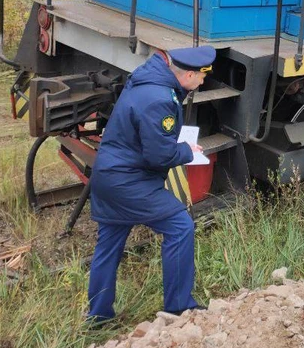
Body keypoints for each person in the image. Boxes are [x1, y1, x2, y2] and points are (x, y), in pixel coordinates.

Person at [86, 45, 216, 322]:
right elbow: (160, 156)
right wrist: (188, 151)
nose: (203, 82)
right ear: (188, 75)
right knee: (181, 227)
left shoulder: (148, 78)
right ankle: (179, 306)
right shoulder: (160, 98)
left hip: (108, 175)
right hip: (129, 182)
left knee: (108, 245)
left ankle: (98, 317)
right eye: (202, 77)